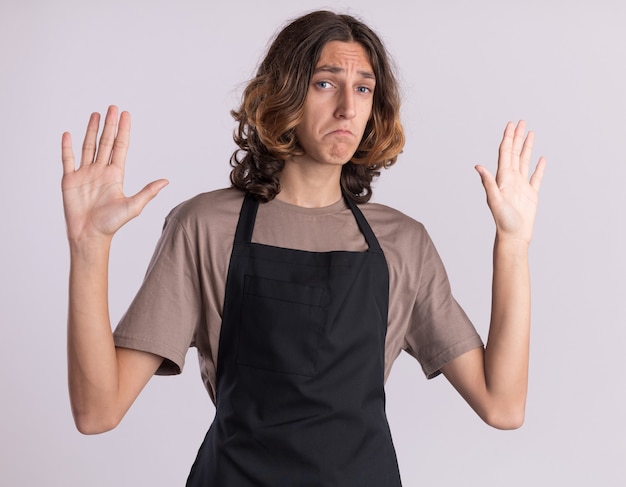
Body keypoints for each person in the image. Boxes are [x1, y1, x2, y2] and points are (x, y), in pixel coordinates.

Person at [61, 10, 546, 486]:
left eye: (363, 88)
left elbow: (501, 405)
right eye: (325, 83)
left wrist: (513, 244)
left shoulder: (402, 243)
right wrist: (89, 246)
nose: (347, 109)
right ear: (284, 93)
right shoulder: (205, 227)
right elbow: (97, 410)